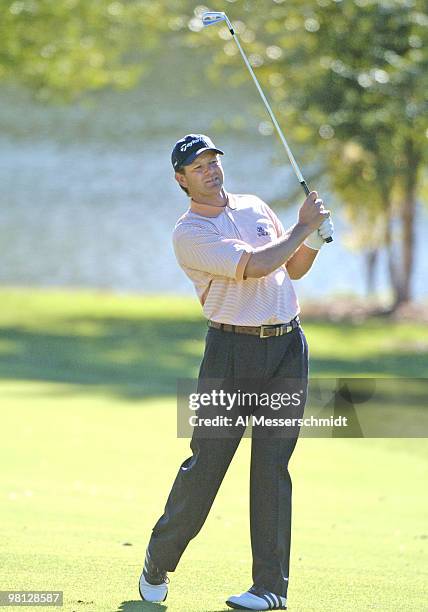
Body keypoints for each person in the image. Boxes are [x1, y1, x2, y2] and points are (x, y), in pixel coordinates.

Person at [139, 134, 333, 611]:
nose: (209, 169)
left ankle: (270, 589)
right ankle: (158, 559)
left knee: (272, 469)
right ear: (180, 180)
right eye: (197, 166)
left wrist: (312, 237)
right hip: (229, 355)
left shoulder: (253, 206)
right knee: (207, 467)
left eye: (212, 160)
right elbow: (257, 265)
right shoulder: (189, 233)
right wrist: (299, 227)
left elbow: (293, 269)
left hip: (288, 348)